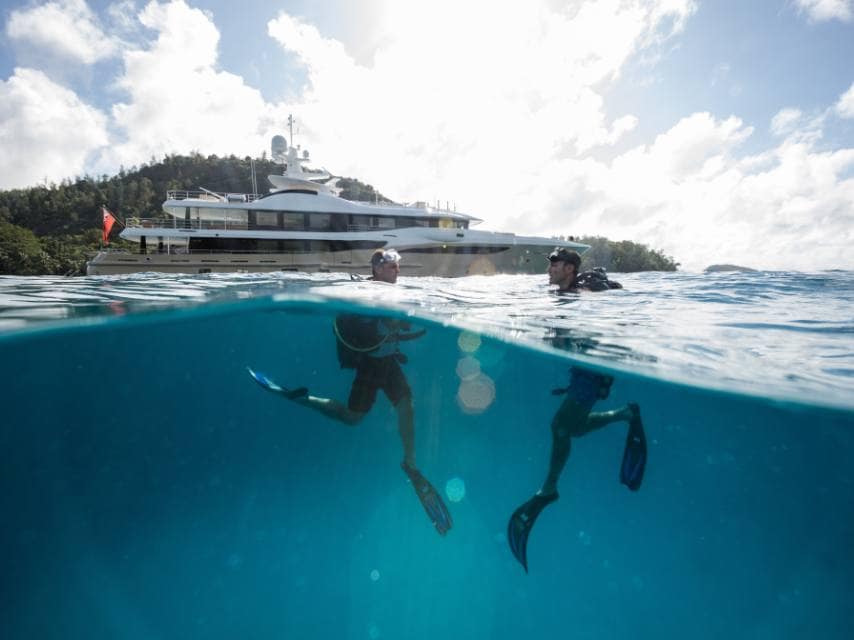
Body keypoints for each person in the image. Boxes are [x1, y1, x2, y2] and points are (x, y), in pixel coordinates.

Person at [248, 248, 453, 536]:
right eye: (392, 267)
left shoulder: (398, 291)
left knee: (406, 402)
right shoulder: (362, 291)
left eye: (398, 267)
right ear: (377, 268)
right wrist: (386, 321)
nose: (397, 271)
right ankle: (304, 399)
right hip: (369, 364)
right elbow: (358, 327)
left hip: (388, 362)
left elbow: (404, 324)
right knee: (352, 417)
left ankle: (410, 463)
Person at [506, 248, 646, 572]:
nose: (549, 268)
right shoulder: (556, 292)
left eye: (554, 263)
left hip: (596, 364)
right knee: (575, 427)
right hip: (583, 368)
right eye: (550, 263)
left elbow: (604, 317)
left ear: (570, 268)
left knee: (560, 426)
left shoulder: (585, 292)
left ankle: (549, 489)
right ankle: (626, 413)